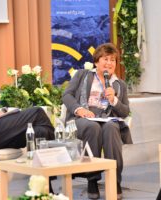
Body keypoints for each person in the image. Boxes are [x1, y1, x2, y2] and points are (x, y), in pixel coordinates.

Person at [62, 43, 132, 199]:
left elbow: (125, 111)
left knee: (111, 128)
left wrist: (114, 100)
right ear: (96, 61)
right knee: (92, 127)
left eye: (113, 60)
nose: (109, 63)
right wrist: (80, 109)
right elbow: (66, 95)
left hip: (107, 119)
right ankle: (92, 179)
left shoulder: (120, 85)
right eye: (105, 59)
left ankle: (114, 179)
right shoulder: (82, 75)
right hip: (81, 119)